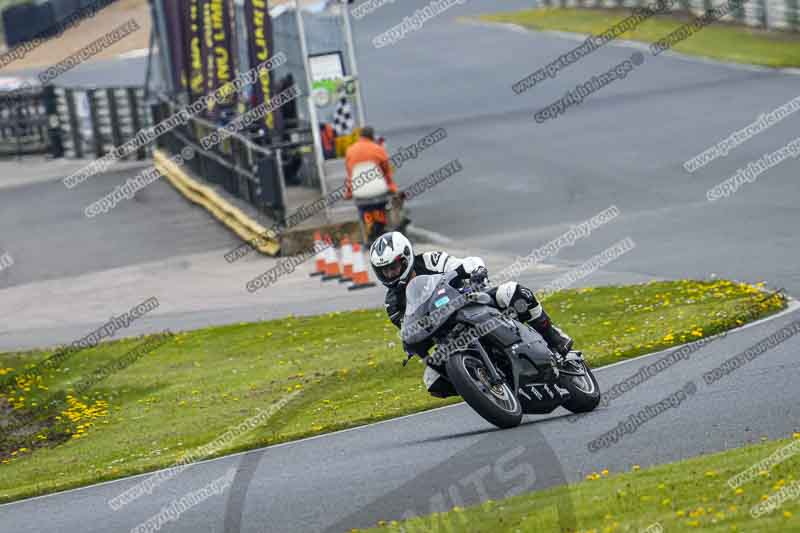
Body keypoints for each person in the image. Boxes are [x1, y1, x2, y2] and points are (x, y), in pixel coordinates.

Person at [369, 231, 574, 398]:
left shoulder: (430, 260)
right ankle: (482, 385)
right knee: (432, 381)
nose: (390, 274)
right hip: (443, 332)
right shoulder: (393, 303)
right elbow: (408, 327)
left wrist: (476, 271)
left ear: (406, 258)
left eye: (393, 267)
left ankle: (553, 336)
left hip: (471, 300)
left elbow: (465, 262)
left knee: (514, 292)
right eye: (384, 271)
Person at [345, 126, 399, 244]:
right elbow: (387, 172)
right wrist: (392, 188)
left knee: (364, 211)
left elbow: (350, 176)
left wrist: (349, 193)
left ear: (360, 136)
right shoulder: (378, 149)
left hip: (360, 193)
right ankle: (382, 231)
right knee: (382, 208)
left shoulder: (350, 150)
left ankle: (368, 237)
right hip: (379, 192)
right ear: (372, 136)